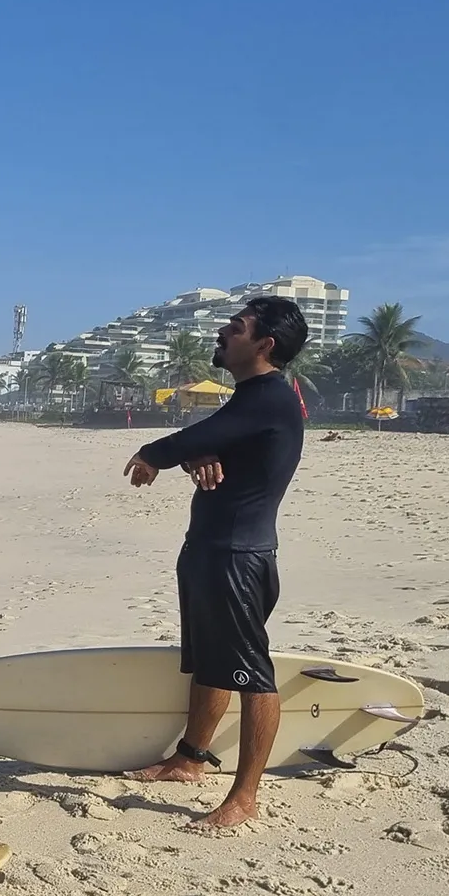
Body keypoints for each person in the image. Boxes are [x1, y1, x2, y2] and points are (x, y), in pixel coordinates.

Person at [121, 296, 310, 830]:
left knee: (252, 672)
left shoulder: (271, 397)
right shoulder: (250, 400)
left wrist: (155, 453)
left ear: (264, 344)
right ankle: (191, 758)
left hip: (237, 559)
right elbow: (211, 440)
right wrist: (195, 456)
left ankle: (245, 797)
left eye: (237, 327)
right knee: (211, 660)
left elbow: (196, 437)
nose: (223, 333)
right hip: (210, 551)